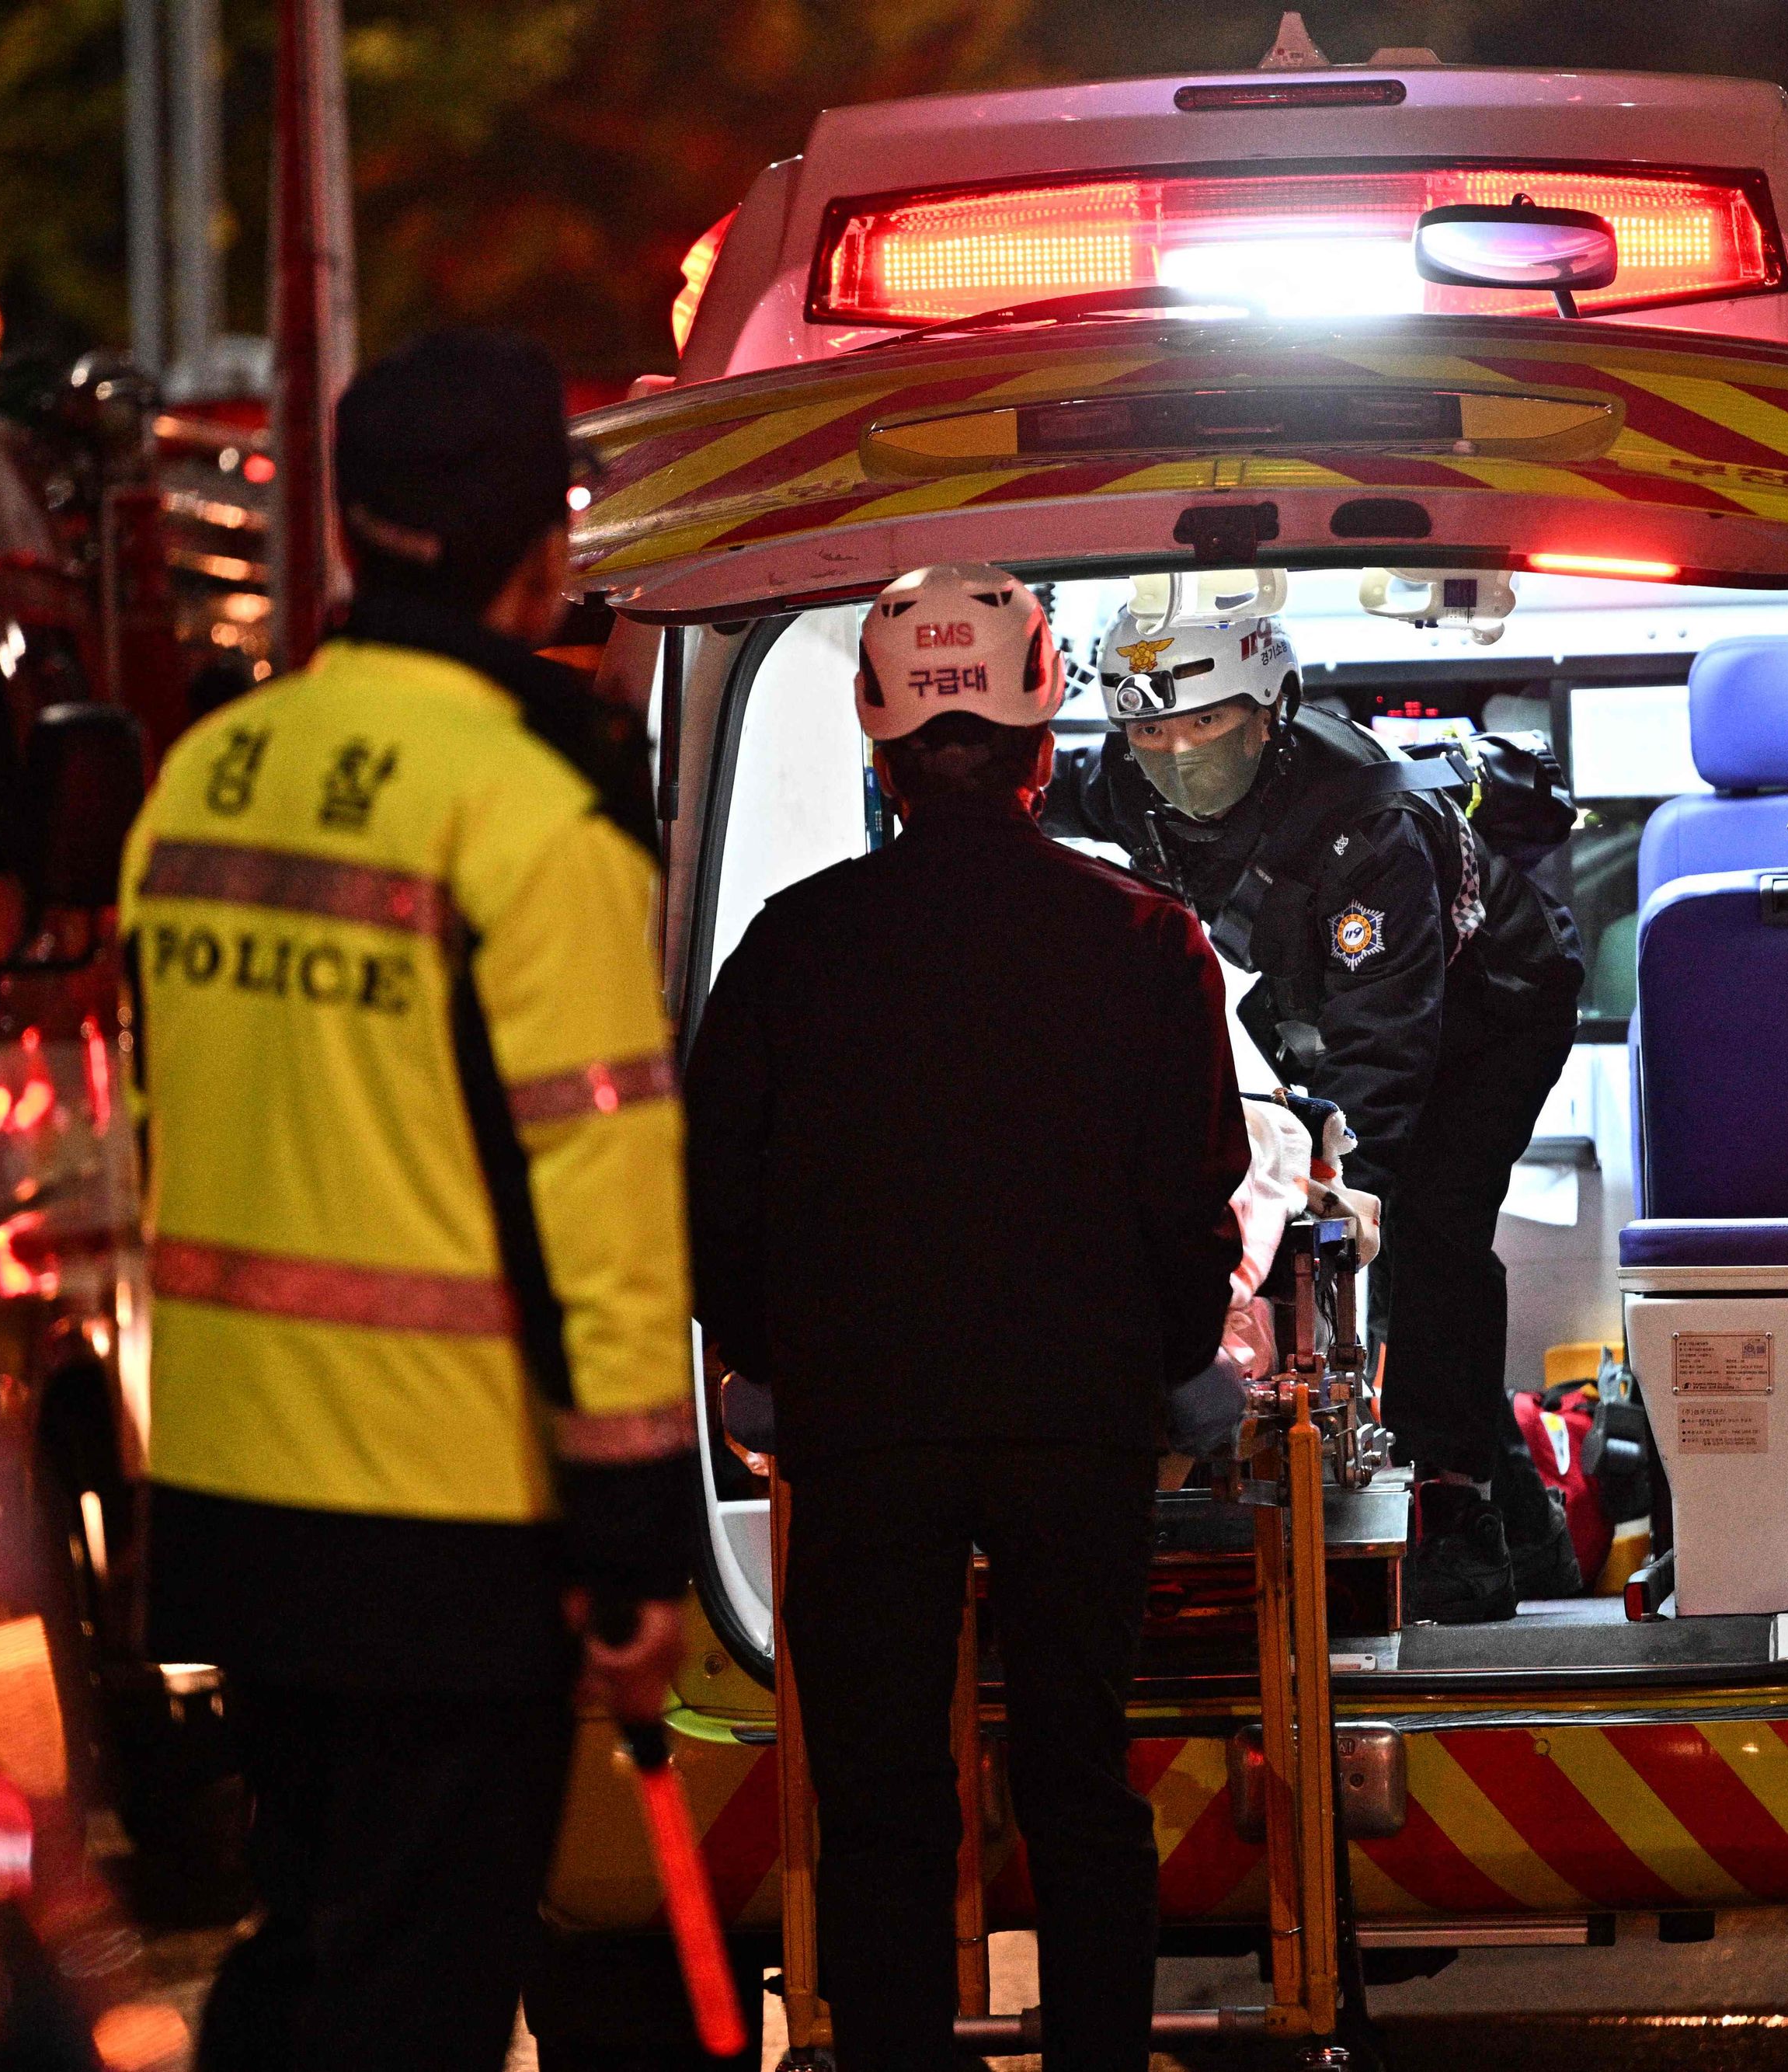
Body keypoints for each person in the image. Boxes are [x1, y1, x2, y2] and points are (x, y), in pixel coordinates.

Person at [124, 329, 695, 2071]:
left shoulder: (212, 772)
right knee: (415, 1993)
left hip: (235, 1500)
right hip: (444, 1524)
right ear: (546, 540)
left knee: (303, 1943)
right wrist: (630, 1546)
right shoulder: (534, 817)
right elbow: (599, 1207)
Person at [683, 565, 1250, 2070]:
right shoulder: (1148, 945)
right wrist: (1161, 1363)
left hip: (861, 1429)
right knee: (1077, 1782)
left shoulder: (787, 953)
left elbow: (712, 1208)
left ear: (878, 753)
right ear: (1041, 746)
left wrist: (770, 1358)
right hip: (1080, 1428)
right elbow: (1191, 1208)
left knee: (877, 1799)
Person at [1048, 601, 1586, 1621]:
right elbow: (1031, 803)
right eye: (1150, 729)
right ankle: (1531, 1526)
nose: (1174, 752)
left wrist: (1347, 1194)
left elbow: (1386, 1047)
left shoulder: (1362, 819)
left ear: (1269, 713)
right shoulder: (1126, 782)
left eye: (1203, 724)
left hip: (1495, 1007)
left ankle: (1461, 1516)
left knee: (1427, 1224)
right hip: (1344, 1007)